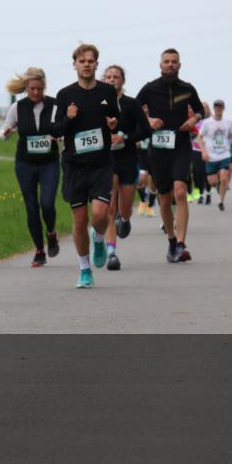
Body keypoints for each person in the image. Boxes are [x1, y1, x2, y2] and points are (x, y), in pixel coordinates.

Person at [49, 44, 119, 289]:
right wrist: (68, 118)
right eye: (82, 61)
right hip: (74, 165)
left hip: (101, 163)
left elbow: (116, 121)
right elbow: (55, 130)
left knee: (100, 215)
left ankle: (99, 237)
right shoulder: (64, 95)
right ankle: (85, 269)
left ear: (97, 64)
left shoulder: (108, 91)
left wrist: (113, 125)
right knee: (80, 220)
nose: (87, 64)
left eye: (91, 61)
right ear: (75, 65)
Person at [135, 48, 205, 263]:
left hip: (181, 144)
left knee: (180, 191)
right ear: (160, 65)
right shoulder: (149, 88)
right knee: (165, 198)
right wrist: (148, 121)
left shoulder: (187, 88)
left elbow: (200, 110)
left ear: (180, 65)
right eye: (166, 61)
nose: (170, 65)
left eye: (174, 62)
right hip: (158, 148)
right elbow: (134, 110)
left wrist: (193, 121)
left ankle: (182, 244)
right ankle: (172, 241)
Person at [0, 67, 61, 267]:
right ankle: (39, 250)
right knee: (32, 207)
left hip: (49, 163)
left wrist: (58, 136)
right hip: (25, 164)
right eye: (33, 89)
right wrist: (6, 131)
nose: (36, 93)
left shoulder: (54, 105)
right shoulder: (17, 108)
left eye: (40, 89)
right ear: (26, 88)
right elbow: (3, 131)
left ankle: (51, 233)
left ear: (45, 87)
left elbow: (63, 129)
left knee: (48, 203)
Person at [102, 65, 151, 271]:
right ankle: (111, 253)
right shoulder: (98, 104)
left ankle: (126, 218)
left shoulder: (131, 104)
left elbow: (146, 130)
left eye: (116, 77)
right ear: (103, 80)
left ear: (123, 80)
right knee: (110, 207)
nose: (112, 80)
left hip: (128, 160)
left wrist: (126, 137)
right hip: (107, 160)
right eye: (109, 77)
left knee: (124, 209)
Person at [197, 100, 232, 211]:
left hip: (224, 155)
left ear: (223, 108)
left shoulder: (228, 122)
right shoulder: (207, 123)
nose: (218, 109)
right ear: (214, 108)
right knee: (212, 182)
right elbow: (199, 137)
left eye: (220, 107)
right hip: (211, 157)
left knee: (224, 179)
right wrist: (203, 152)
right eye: (216, 107)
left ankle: (221, 201)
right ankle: (217, 185)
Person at [136, 138, 158, 217]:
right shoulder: (139, 126)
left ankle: (150, 206)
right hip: (142, 156)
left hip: (154, 155)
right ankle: (143, 200)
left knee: (154, 184)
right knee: (140, 180)